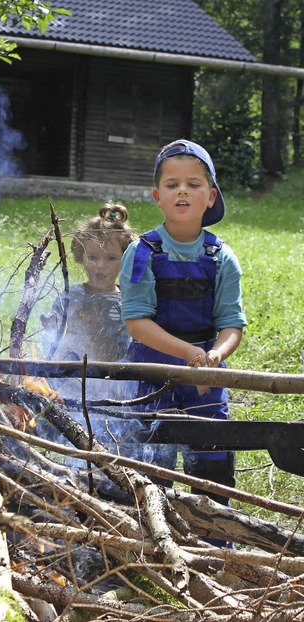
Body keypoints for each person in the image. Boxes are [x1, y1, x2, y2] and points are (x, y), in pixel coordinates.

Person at [118, 139, 247, 514]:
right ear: (157, 196)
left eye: (194, 184)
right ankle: (151, 532)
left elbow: (231, 325)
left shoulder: (222, 258)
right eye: (172, 185)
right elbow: (138, 324)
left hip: (205, 373)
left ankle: (214, 534)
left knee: (212, 457)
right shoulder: (142, 252)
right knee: (150, 458)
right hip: (150, 369)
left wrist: (214, 356)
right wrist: (188, 354)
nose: (183, 191)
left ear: (210, 196)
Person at [41, 202, 138, 451]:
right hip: (75, 388)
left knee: (116, 444)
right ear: (81, 257)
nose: (100, 265)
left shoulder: (131, 300)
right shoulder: (69, 297)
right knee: (76, 447)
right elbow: (51, 341)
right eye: (92, 257)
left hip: (116, 390)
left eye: (111, 258)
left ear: (125, 260)